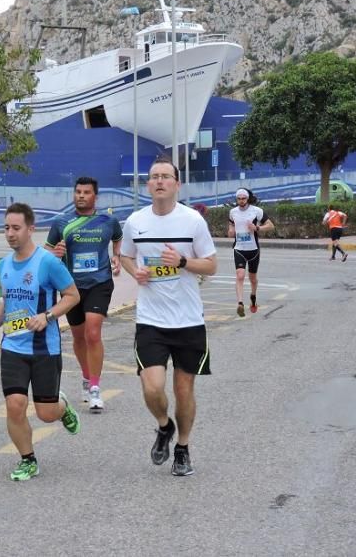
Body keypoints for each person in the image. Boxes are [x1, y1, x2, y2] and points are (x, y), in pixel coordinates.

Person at [120, 158, 217, 477]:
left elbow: (211, 265)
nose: (159, 181)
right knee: (152, 386)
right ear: (147, 185)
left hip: (188, 320)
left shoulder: (192, 222)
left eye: (165, 176)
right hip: (151, 320)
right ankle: (164, 426)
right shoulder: (135, 221)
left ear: (177, 184)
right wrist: (137, 273)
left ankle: (183, 448)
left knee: (184, 389)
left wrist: (183, 262)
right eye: (154, 177)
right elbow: (125, 255)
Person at [0, 203, 82, 482]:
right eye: (6, 228)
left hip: (44, 348)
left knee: (46, 414)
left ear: (30, 229)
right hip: (12, 346)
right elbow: (9, 301)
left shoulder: (48, 262)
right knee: (14, 404)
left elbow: (72, 296)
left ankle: (61, 407)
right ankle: (28, 459)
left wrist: (47, 315)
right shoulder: (2, 265)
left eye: (16, 228)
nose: (10, 234)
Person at [45, 176, 122, 412]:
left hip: (99, 283)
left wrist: (117, 257)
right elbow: (47, 253)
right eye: (78, 191)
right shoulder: (61, 222)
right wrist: (55, 254)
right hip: (71, 288)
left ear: (95, 196)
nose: (81, 195)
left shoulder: (108, 220)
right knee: (79, 337)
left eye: (86, 192)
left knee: (92, 331)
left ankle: (96, 388)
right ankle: (87, 377)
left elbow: (118, 240)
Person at [227, 188, 274, 317]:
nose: (241, 201)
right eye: (239, 199)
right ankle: (240, 303)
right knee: (240, 275)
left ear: (247, 199)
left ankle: (253, 297)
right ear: (236, 199)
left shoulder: (256, 211)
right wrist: (230, 231)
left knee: (252, 278)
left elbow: (271, 225)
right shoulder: (233, 212)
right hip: (239, 248)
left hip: (253, 249)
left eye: (243, 199)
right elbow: (231, 226)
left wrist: (257, 227)